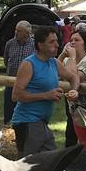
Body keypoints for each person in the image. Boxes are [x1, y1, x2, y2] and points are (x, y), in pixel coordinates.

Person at [11, 26, 75, 154]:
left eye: (57, 41)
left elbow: (72, 76)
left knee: (51, 164)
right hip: (27, 122)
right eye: (52, 42)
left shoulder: (54, 62)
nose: (57, 45)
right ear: (40, 45)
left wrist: (75, 90)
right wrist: (46, 95)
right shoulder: (28, 64)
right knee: (28, 166)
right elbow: (16, 95)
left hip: (42, 123)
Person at [58, 27, 86, 146]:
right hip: (73, 107)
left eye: (77, 40)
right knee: (72, 139)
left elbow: (75, 78)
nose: (72, 42)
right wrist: (62, 55)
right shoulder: (68, 60)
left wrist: (71, 58)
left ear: (85, 44)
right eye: (71, 39)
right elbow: (54, 71)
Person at [2, 19, 35, 125]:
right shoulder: (10, 43)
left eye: (19, 31)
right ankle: (8, 128)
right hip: (10, 81)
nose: (16, 32)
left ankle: (22, 127)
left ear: (27, 33)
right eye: (16, 30)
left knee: (24, 108)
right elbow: (6, 60)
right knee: (9, 108)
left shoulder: (34, 45)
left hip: (28, 83)